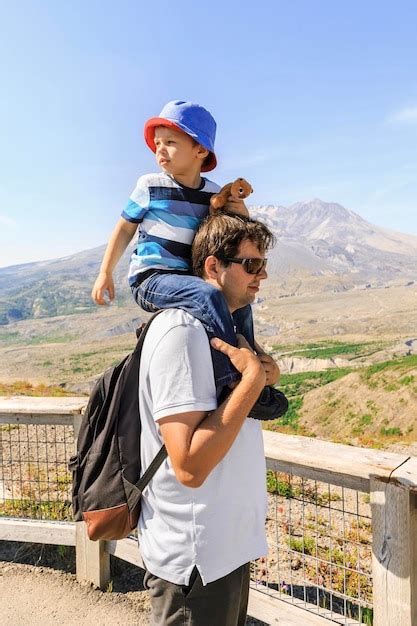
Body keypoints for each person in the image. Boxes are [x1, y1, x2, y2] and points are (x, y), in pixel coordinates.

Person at [138, 212, 276, 625]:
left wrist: (261, 374)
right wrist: (252, 381)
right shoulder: (182, 333)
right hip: (195, 565)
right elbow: (190, 466)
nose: (262, 275)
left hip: (225, 552)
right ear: (213, 266)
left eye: (264, 265)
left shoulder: (223, 332)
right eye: (251, 265)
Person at [91, 100, 258, 389]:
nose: (160, 150)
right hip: (152, 279)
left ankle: (255, 360)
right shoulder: (150, 185)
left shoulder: (213, 194)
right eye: (157, 144)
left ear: (200, 150)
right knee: (209, 295)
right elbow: (124, 228)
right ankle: (228, 379)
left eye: (170, 142)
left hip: (191, 280)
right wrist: (105, 272)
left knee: (240, 299)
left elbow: (235, 232)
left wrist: (243, 214)